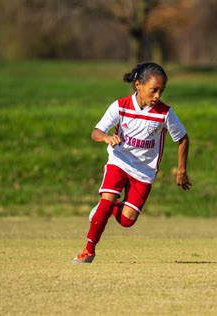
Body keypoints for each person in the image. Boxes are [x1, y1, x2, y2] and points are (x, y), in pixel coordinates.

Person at [73, 62, 191, 263]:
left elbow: (183, 138)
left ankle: (109, 208)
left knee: (127, 220)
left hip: (144, 172)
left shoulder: (164, 113)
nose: (157, 96)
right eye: (154, 90)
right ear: (138, 85)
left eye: (161, 91)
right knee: (106, 201)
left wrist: (181, 170)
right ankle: (88, 250)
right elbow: (96, 132)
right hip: (118, 162)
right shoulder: (120, 106)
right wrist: (106, 138)